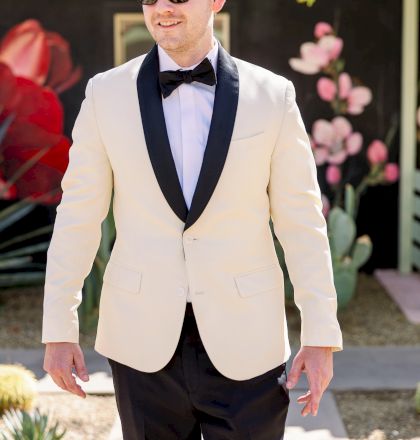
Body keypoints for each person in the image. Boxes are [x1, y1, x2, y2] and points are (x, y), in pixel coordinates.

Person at [41, 0, 344, 438]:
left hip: (248, 340)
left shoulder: (272, 96)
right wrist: (58, 328)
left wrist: (319, 335)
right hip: (141, 342)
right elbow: (77, 217)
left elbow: (302, 224)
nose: (163, 7)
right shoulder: (105, 94)